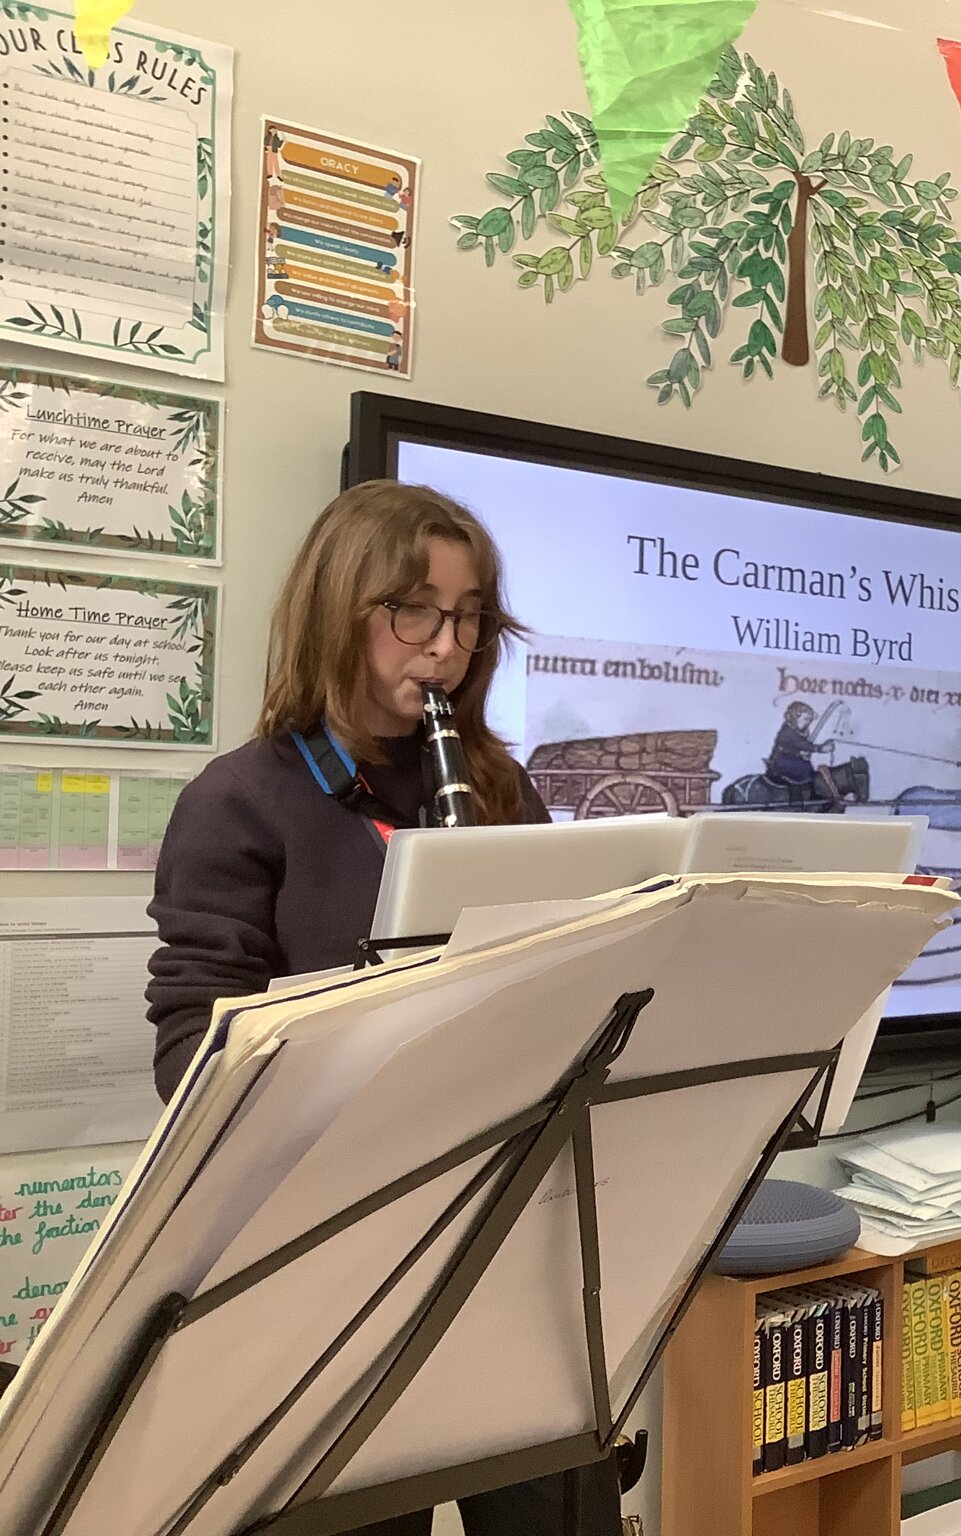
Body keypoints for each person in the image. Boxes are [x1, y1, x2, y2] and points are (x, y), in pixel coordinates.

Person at [145, 480, 617, 1536]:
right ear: (338, 610)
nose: (444, 647)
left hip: (504, 1244)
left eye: (468, 617)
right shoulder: (241, 800)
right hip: (333, 1264)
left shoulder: (495, 788)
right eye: (413, 611)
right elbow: (193, 1052)